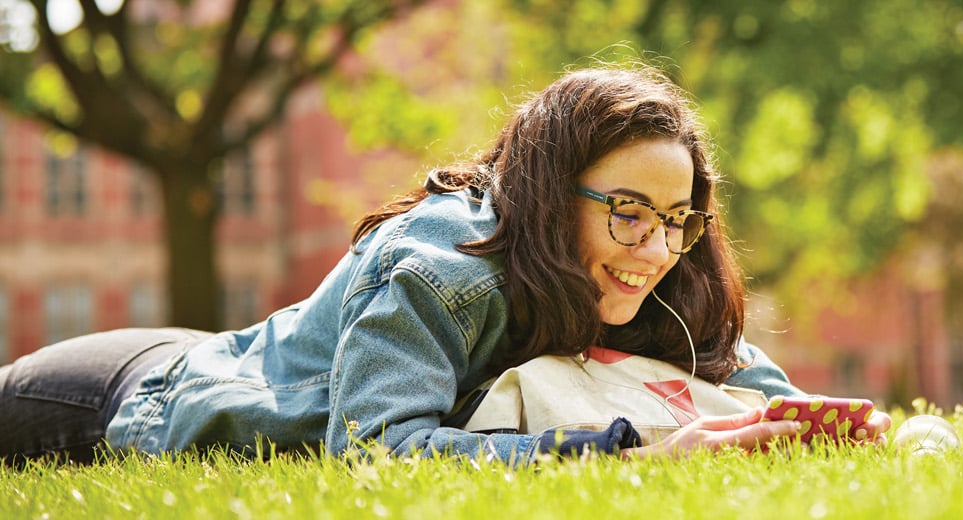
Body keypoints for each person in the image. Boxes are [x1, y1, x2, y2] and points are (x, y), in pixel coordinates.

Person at [0, 66, 892, 468]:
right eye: (627, 212)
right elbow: (378, 448)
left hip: (238, 346)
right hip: (119, 395)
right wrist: (625, 456)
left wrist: (806, 424)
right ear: (549, 192)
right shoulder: (441, 269)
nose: (656, 249)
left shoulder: (666, 267)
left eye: (678, 219)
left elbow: (745, 395)